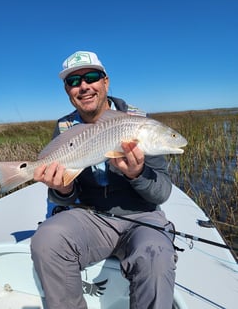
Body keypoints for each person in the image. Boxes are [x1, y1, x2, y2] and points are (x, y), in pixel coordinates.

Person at [31, 51, 177, 309]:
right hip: (92, 217)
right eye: (74, 82)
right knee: (47, 239)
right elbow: (64, 193)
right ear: (67, 90)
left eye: (91, 77)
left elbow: (162, 192)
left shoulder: (139, 122)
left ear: (106, 82)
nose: (84, 86)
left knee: (156, 255)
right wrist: (62, 190)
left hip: (141, 218)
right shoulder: (65, 127)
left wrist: (137, 174)